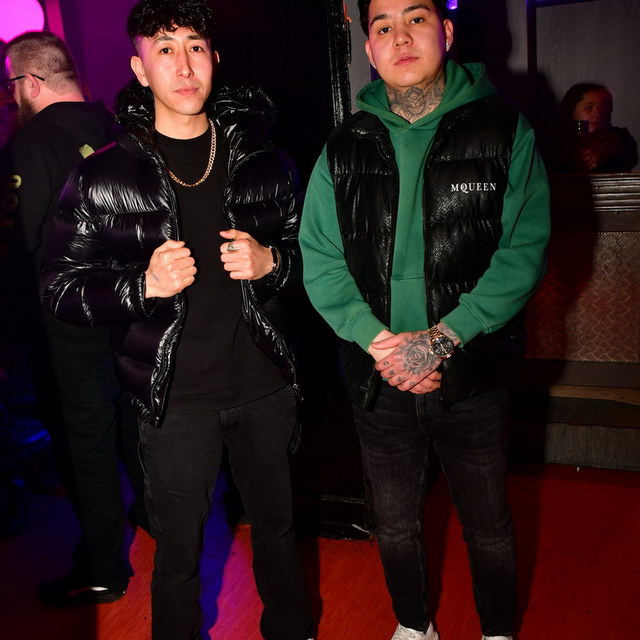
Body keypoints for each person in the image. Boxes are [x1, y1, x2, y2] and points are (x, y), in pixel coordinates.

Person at [41, 1, 313, 639]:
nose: (184, 65)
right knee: (178, 555)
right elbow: (59, 289)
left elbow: (322, 264)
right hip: (174, 400)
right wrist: (141, 285)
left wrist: (274, 263)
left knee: (278, 534)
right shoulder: (101, 176)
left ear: (214, 58)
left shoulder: (268, 162)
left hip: (265, 388)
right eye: (164, 49)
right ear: (140, 69)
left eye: (195, 46)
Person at [299, 1, 550, 640]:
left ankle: (497, 631)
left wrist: (441, 341)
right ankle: (414, 627)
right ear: (368, 47)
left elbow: (522, 252)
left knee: (487, 522)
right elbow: (320, 256)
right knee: (394, 521)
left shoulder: (505, 130)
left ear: (447, 31)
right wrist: (382, 345)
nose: (400, 37)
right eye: (382, 26)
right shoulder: (342, 145)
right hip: (377, 374)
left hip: (474, 369)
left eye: (416, 18)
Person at [0, 31, 147, 606]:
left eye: (11, 85)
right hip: (130, 310)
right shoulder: (120, 129)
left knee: (84, 447)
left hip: (64, 325)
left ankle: (103, 569)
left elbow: (15, 246)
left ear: (31, 82)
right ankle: (157, 518)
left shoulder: (29, 145)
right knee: (134, 428)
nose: (10, 97)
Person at [548, 83, 637, 173]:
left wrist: (599, 154)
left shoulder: (621, 138)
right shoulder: (555, 140)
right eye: (589, 108)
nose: (598, 114)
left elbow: (628, 155)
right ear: (572, 110)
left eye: (603, 108)